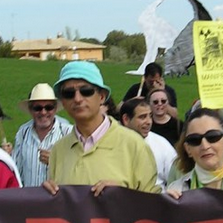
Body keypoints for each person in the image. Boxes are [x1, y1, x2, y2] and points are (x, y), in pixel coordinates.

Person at [45, 60, 160, 196]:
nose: (77, 99)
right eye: (68, 93)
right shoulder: (58, 150)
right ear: (63, 101)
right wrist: (47, 196)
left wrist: (123, 195)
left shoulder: (134, 145)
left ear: (102, 96)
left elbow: (153, 203)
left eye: (86, 91)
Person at [8, 83, 72, 187]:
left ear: (55, 109)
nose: (43, 112)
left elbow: (79, 171)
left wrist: (56, 162)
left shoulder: (68, 132)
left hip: (58, 196)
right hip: (29, 196)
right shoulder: (23, 132)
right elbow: (17, 171)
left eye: (49, 107)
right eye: (38, 108)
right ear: (30, 109)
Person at [120, 98, 177, 190]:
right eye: (142, 117)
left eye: (150, 116)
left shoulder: (162, 144)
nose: (149, 122)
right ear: (126, 119)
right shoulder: (111, 144)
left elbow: (176, 180)